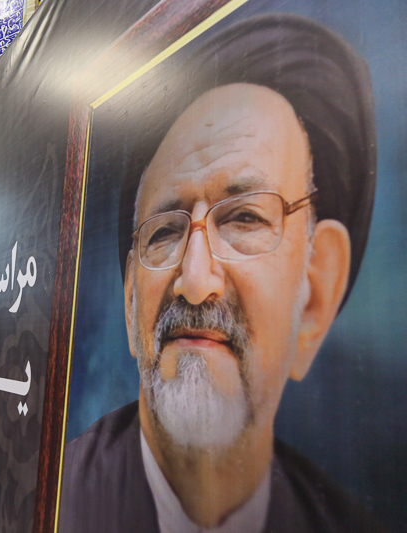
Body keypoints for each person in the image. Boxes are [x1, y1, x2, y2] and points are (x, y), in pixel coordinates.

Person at [59, 13, 383, 533]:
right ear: (130, 301)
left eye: (244, 218)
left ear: (315, 295)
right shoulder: (50, 502)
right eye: (165, 231)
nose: (194, 281)